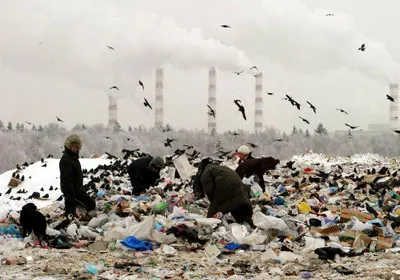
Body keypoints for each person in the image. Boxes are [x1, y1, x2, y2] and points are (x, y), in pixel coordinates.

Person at [193, 158, 254, 227]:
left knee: (213, 214)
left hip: (226, 190)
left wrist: (212, 208)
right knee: (240, 209)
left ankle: (208, 227)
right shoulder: (221, 168)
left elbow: (209, 190)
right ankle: (251, 227)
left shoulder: (206, 171)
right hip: (240, 190)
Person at [59, 134, 96, 219]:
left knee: (92, 204)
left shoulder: (74, 158)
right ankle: (71, 212)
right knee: (90, 205)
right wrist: (70, 197)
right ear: (69, 146)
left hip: (78, 190)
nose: (75, 148)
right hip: (72, 192)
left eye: (76, 146)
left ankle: (77, 207)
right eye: (73, 146)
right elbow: (66, 180)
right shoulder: (66, 159)